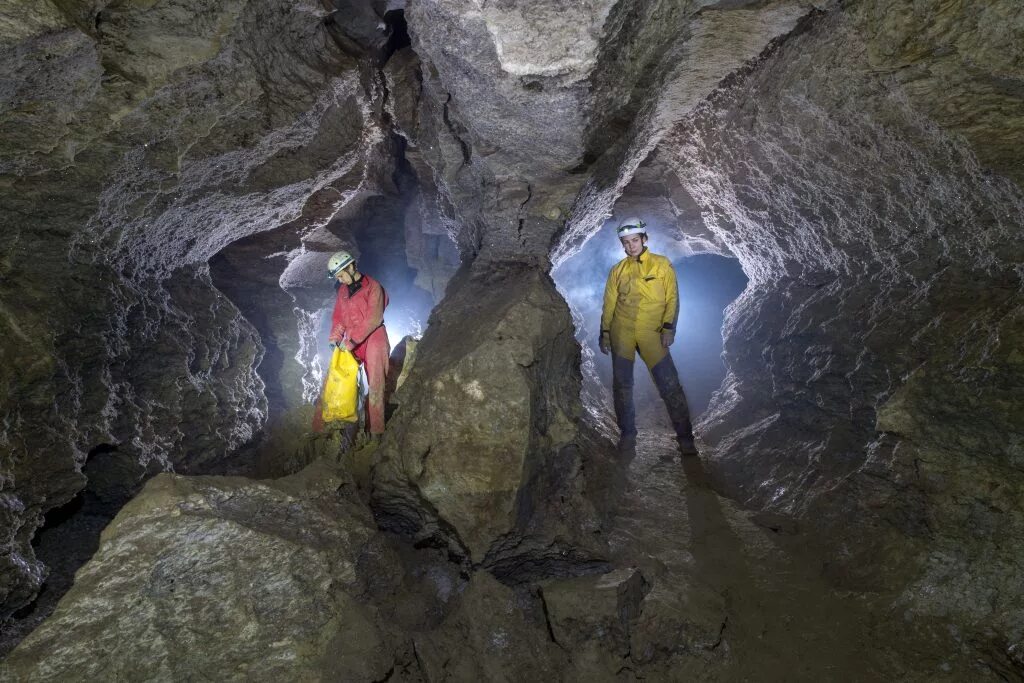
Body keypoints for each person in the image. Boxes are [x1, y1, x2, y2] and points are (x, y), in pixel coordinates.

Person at [599, 218, 696, 454]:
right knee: (622, 386)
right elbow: (609, 303)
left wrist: (668, 329)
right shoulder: (618, 270)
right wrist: (605, 332)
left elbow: (672, 298)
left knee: (669, 384)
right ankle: (628, 434)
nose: (631, 246)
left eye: (634, 240)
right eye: (626, 242)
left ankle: (685, 437)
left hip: (651, 332)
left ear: (644, 239)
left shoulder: (661, 265)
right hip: (622, 331)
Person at [324, 249, 391, 438]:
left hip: (374, 339)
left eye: (341, 275)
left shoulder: (373, 287)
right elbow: (339, 319)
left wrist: (352, 341)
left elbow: (373, 319)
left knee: (376, 384)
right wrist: (334, 338)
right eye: (337, 277)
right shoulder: (343, 292)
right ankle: (345, 430)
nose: (340, 280)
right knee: (341, 380)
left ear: (351, 267)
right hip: (351, 341)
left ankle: (376, 432)